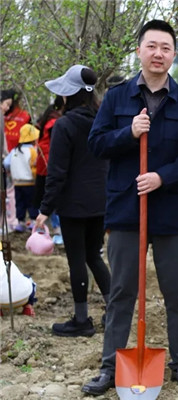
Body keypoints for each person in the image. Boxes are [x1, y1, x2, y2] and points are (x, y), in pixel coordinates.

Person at [82, 20, 178, 396]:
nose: (158, 54)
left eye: (165, 48)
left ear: (174, 54)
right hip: (126, 210)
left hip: (172, 213)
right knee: (121, 291)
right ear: (139, 50)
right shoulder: (117, 98)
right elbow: (96, 143)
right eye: (151, 46)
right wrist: (129, 133)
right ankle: (110, 365)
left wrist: (161, 177)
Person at [33, 64, 111, 338]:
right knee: (94, 255)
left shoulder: (64, 125)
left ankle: (81, 320)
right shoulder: (102, 121)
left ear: (69, 94)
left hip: (74, 205)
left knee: (77, 258)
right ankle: (115, 311)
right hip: (101, 201)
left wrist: (45, 209)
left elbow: (57, 172)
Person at [33, 96, 65, 244]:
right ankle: (57, 230)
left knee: (45, 197)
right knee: (54, 198)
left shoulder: (46, 119)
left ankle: (44, 229)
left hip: (43, 165)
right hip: (50, 164)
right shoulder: (55, 123)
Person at [1, 88, 31, 231]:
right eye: (6, 104)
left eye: (9, 104)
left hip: (10, 159)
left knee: (10, 191)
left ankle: (11, 221)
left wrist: (6, 155)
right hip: (8, 158)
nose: (7, 107)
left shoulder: (22, 116)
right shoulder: (3, 118)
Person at [3, 123, 39, 231]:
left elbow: (6, 163)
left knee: (19, 203)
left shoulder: (14, 150)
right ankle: (33, 221)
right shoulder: (33, 151)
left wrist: (11, 170)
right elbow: (36, 164)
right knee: (32, 203)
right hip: (30, 182)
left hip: (17, 182)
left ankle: (20, 222)